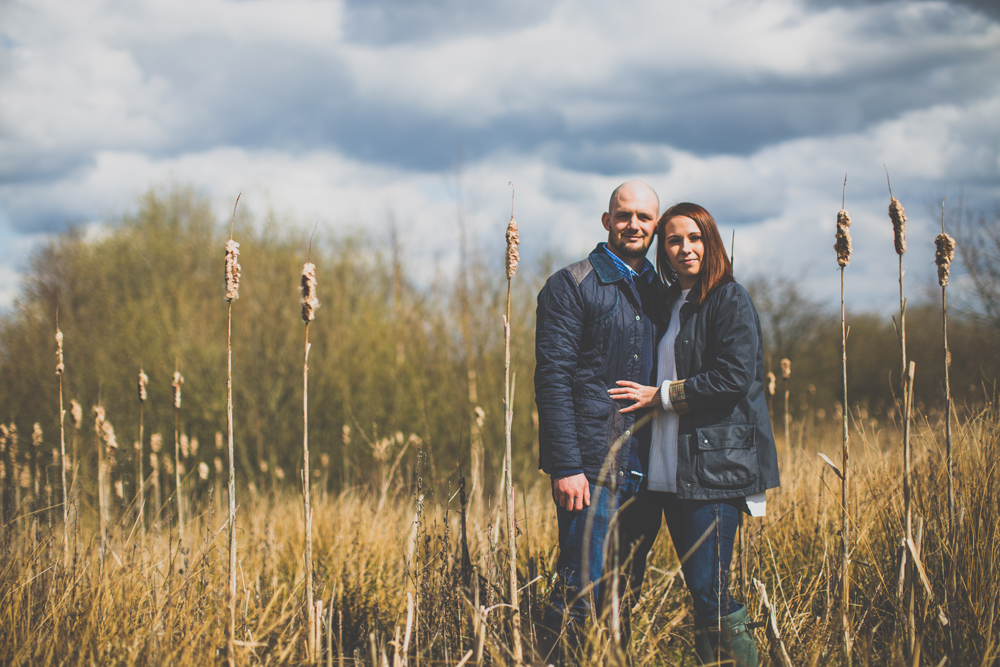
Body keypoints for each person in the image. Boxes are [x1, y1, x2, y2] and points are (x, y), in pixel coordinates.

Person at [609, 202, 780, 667]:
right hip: (666, 475)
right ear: (663, 250)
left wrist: (659, 396)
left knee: (711, 593)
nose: (686, 248)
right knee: (696, 596)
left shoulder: (728, 298)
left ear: (711, 242)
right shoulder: (668, 304)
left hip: (713, 474)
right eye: (674, 240)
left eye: (695, 238)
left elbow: (732, 378)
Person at [534, 180, 663, 658]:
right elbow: (552, 380)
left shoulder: (660, 290)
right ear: (607, 220)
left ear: (655, 225)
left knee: (623, 591)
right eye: (623, 215)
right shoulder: (571, 285)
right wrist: (565, 467)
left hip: (647, 467)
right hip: (589, 468)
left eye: (643, 217)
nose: (633, 224)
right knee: (580, 589)